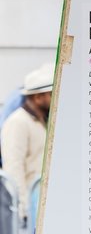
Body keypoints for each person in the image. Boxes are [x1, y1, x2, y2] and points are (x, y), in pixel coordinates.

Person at [0, 63, 53, 223]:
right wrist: (23, 210)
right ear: (38, 97)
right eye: (51, 94)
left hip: (42, 204)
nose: (56, 97)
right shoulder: (18, 122)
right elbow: (14, 168)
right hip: (29, 208)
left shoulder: (42, 121)